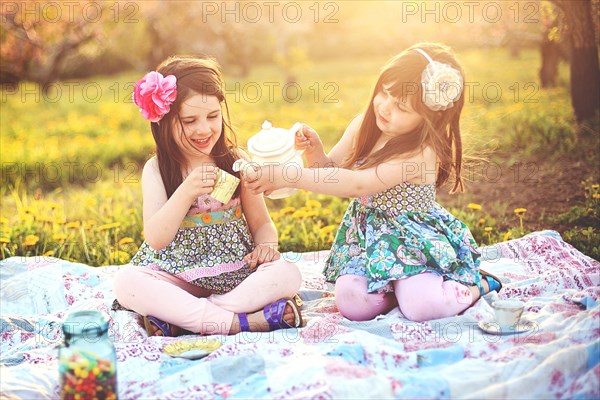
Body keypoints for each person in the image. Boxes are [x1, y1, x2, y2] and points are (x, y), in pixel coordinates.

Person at [243, 43, 502, 322]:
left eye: (401, 106)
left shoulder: (420, 151)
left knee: (422, 309)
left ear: (429, 116)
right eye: (384, 92)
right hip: (370, 237)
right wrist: (314, 152)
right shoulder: (364, 125)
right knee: (352, 303)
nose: (385, 108)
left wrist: (287, 175)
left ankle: (477, 285)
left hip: (412, 238)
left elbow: (358, 185)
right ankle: (395, 290)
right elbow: (332, 172)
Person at [113, 55, 303, 336]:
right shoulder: (158, 170)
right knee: (126, 282)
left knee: (288, 274)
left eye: (212, 116)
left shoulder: (235, 160)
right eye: (189, 120)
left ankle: (188, 317)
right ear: (164, 122)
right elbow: (156, 238)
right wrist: (187, 190)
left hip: (235, 274)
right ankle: (245, 322)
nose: (204, 129)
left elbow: (261, 223)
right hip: (177, 275)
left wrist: (266, 246)